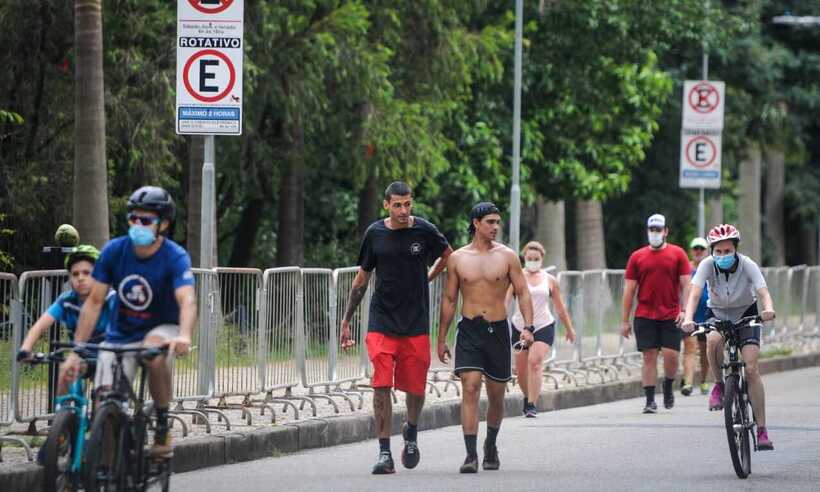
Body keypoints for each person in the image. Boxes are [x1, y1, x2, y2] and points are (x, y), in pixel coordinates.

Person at [65, 186, 197, 458]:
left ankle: (162, 425)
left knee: (153, 351)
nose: (137, 225)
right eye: (133, 219)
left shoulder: (175, 256)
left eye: (146, 220)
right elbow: (94, 301)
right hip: (120, 334)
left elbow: (187, 300)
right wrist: (78, 347)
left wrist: (184, 335)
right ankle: (108, 469)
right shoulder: (114, 250)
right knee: (104, 401)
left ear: (164, 224)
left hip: (163, 328)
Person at [340, 181, 452, 475]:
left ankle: (411, 433)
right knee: (381, 386)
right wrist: (346, 320)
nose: (403, 211)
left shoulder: (424, 231)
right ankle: (384, 453)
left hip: (415, 324)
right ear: (386, 205)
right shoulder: (374, 234)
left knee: (415, 389)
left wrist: (429, 276)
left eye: (408, 204)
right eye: (397, 205)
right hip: (381, 322)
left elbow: (448, 254)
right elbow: (361, 280)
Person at [437, 202, 535, 473]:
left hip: (498, 330)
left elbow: (523, 292)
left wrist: (529, 327)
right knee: (469, 386)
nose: (495, 227)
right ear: (476, 223)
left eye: (497, 222)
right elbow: (448, 299)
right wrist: (441, 338)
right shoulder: (457, 258)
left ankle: (490, 444)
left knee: (496, 394)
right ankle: (470, 455)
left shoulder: (507, 256)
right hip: (469, 329)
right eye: (490, 222)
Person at [682, 224, 775, 450]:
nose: (723, 256)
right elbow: (694, 294)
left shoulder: (747, 264)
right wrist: (688, 317)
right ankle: (719, 385)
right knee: (712, 341)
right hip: (719, 314)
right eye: (718, 252)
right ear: (713, 251)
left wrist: (768, 309)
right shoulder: (706, 265)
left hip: (746, 313)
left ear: (736, 249)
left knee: (751, 369)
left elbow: (763, 292)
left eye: (728, 251)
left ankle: (762, 429)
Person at [17, 245, 115, 395]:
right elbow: (40, 325)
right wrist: (25, 349)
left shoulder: (110, 298)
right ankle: (63, 412)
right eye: (75, 274)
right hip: (82, 356)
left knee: (101, 395)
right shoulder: (66, 300)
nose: (80, 278)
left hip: (109, 356)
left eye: (87, 273)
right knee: (65, 375)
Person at [622, 214, 691, 413]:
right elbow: (629, 290)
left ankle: (668, 385)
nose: (655, 233)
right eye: (651, 230)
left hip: (671, 314)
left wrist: (685, 311)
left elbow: (687, 285)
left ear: (666, 231)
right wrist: (624, 320)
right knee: (649, 356)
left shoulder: (678, 254)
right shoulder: (637, 257)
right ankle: (650, 400)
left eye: (658, 229)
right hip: (645, 314)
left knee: (671, 356)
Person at [506, 241, 575, 418]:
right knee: (521, 369)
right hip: (519, 326)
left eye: (536, 259)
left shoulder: (550, 280)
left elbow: (559, 306)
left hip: (543, 326)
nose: (533, 261)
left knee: (535, 361)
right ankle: (527, 395)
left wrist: (569, 328)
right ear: (524, 258)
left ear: (542, 259)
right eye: (529, 258)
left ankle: (531, 404)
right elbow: (506, 302)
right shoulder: (517, 277)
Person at [683, 237, 711, 396]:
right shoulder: (686, 268)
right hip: (690, 314)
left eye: (701, 248)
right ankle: (687, 382)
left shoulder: (711, 267)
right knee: (689, 347)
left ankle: (704, 380)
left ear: (706, 251)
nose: (698, 251)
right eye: (696, 248)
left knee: (705, 350)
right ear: (691, 250)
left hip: (707, 315)